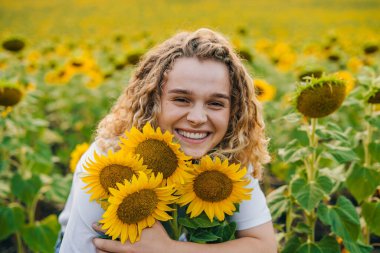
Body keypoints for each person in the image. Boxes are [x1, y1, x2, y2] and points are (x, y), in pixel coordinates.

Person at [57, 28, 277, 253]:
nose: (198, 118)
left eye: (215, 103)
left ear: (234, 111)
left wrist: (169, 249)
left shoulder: (229, 156)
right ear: (152, 101)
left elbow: (264, 246)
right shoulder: (109, 163)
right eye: (182, 99)